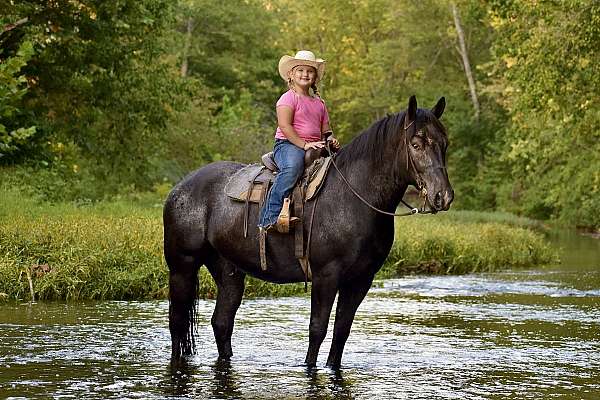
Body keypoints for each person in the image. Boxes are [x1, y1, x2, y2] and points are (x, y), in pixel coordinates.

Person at [258, 50, 340, 232]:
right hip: (288, 144)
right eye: (300, 70)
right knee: (292, 168)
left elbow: (326, 130)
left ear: (315, 77)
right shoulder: (287, 98)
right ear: (291, 75)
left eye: (310, 71)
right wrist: (304, 145)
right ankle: (268, 217)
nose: (305, 74)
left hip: (316, 146)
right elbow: (285, 126)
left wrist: (331, 140)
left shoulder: (319, 103)